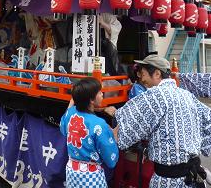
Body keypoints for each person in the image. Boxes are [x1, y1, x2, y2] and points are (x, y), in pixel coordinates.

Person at [105, 54, 211, 187]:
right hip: (193, 176)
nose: (141, 78)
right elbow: (207, 118)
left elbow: (127, 129)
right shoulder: (187, 95)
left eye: (143, 74)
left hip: (168, 180)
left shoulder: (154, 96)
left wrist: (113, 123)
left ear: (156, 73)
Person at [60, 77, 119, 188]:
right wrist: (114, 138)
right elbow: (111, 160)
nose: (102, 94)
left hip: (72, 172)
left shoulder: (71, 112)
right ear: (91, 100)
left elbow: (63, 129)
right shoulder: (99, 124)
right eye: (99, 92)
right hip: (91, 176)